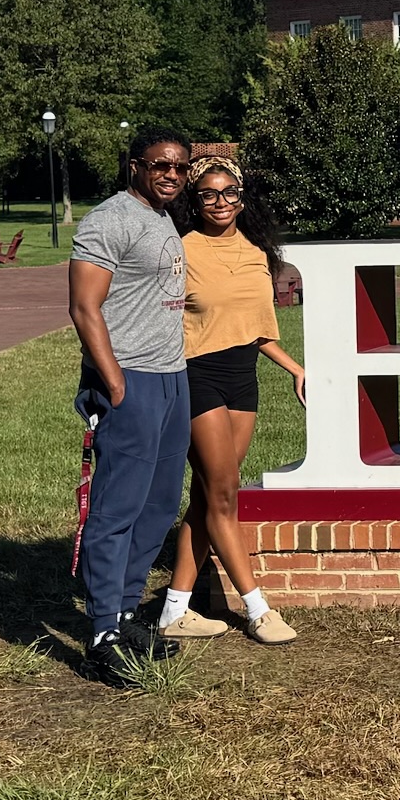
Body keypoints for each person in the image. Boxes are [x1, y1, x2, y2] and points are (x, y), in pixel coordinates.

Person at [155, 155, 305, 646]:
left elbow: (257, 329)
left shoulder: (258, 253)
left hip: (243, 379)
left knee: (208, 497)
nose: (220, 202)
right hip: (195, 375)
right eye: (208, 194)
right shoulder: (180, 249)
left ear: (242, 198)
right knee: (224, 495)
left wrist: (294, 368)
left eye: (229, 193)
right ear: (194, 201)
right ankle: (259, 610)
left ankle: (174, 610)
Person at [67, 127, 193, 685]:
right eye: (160, 165)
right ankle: (101, 636)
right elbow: (83, 306)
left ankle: (123, 614)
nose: (171, 174)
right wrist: (114, 382)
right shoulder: (110, 220)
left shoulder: (161, 217)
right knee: (117, 508)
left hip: (171, 377)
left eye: (180, 167)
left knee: (159, 505)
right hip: (131, 380)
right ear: (135, 166)